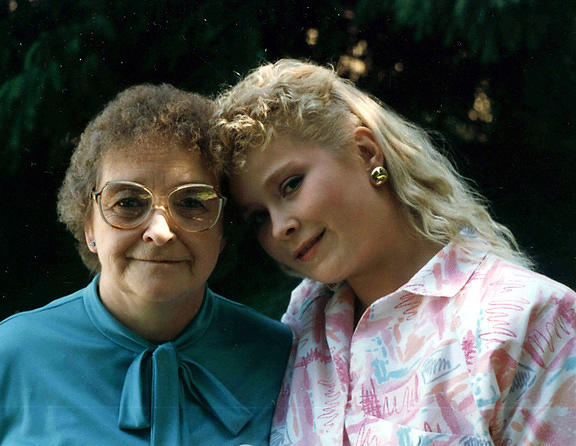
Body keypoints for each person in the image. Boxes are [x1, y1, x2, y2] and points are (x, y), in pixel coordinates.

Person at [213, 58, 576, 445]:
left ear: (367, 152)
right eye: (257, 217)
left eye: (290, 185)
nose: (279, 226)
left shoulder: (529, 315)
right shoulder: (303, 324)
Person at [0, 84, 292, 445]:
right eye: (127, 203)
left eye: (191, 203)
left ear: (223, 229)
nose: (160, 231)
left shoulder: (280, 359)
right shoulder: (6, 361)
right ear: (88, 225)